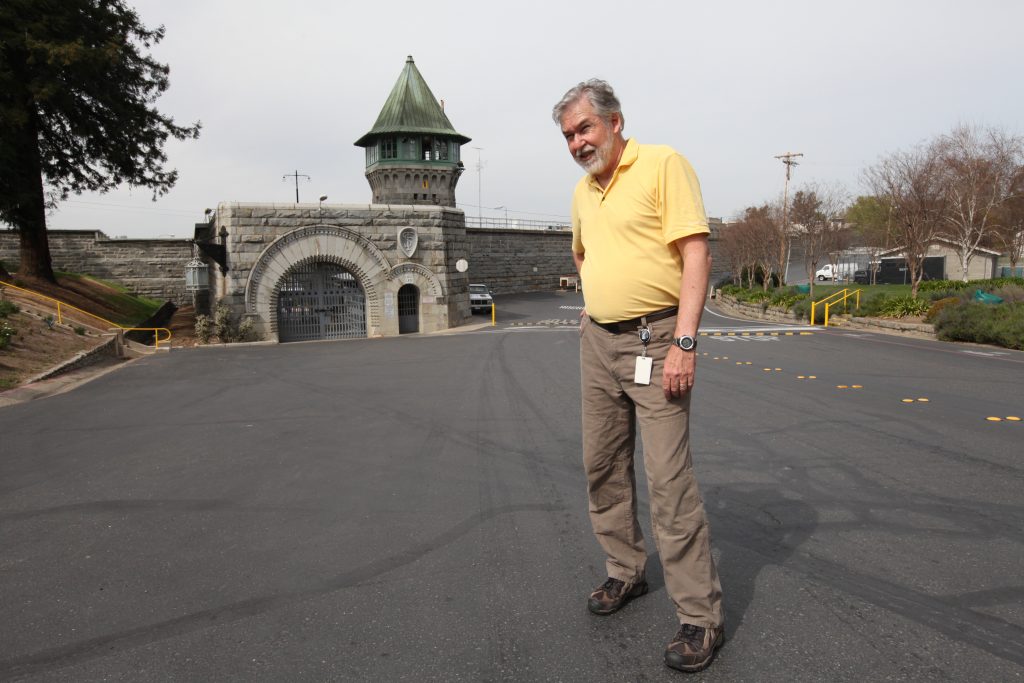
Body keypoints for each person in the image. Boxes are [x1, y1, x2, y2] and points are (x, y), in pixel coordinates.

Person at [552, 79, 724, 673]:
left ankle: (700, 617)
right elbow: (582, 252)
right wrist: (594, 295)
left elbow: (696, 251)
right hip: (598, 342)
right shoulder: (582, 191)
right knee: (601, 464)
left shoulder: (663, 165)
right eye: (569, 134)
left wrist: (685, 340)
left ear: (615, 122)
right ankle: (626, 572)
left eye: (585, 129)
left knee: (669, 482)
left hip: (657, 338)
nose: (577, 142)